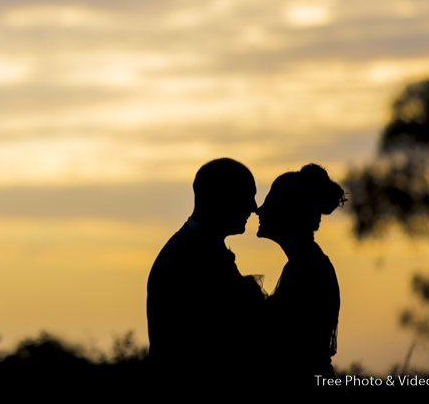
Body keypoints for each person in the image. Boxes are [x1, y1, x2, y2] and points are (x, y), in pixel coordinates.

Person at [146, 158, 265, 389]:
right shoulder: (183, 258)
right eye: (246, 195)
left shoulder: (199, 249)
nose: (253, 207)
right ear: (219, 196)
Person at [256, 163, 345, 386]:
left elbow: (289, 348)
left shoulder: (308, 270)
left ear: (289, 214)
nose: (259, 210)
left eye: (271, 203)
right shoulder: (304, 265)